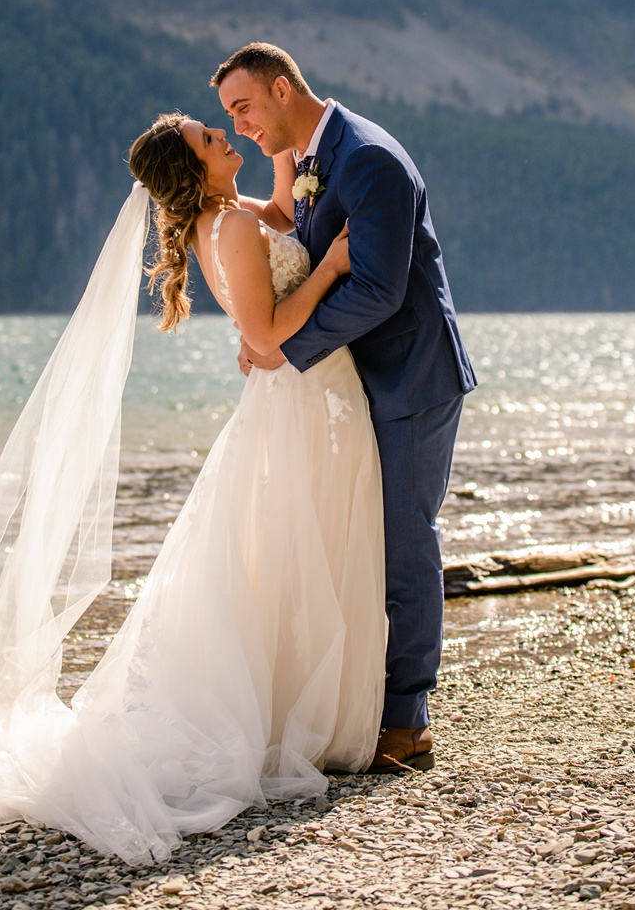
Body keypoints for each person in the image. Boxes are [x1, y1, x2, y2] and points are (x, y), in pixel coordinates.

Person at [0, 111, 385, 866]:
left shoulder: (228, 218)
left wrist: (282, 146)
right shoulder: (231, 230)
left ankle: (301, 710)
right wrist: (333, 267)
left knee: (290, 552)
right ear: (195, 171)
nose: (224, 136)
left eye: (221, 128)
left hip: (307, 402)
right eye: (212, 139)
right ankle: (303, 718)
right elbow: (269, 337)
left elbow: (282, 213)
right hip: (300, 405)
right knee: (298, 546)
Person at [213, 44, 476, 772]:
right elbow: (301, 245)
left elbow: (378, 291)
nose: (238, 127)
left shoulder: (367, 160)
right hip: (363, 384)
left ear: (280, 87)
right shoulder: (312, 160)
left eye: (243, 109)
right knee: (360, 540)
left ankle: (408, 719)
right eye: (227, 118)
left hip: (414, 379)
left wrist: (285, 350)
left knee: (404, 541)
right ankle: (358, 703)